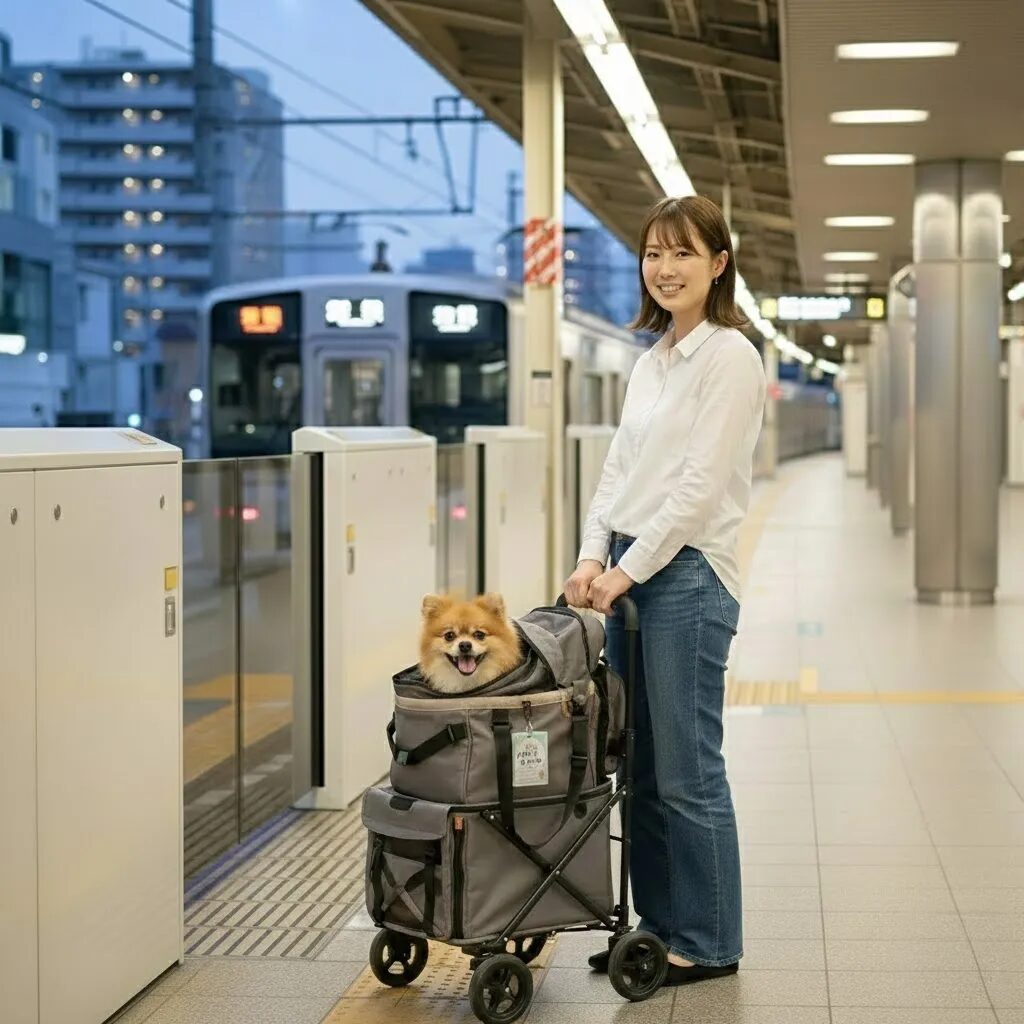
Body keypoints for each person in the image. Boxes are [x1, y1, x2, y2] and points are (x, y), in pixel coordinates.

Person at [563, 195, 765, 986]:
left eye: (684, 252)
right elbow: (620, 471)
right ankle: (656, 927)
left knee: (688, 771)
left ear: (719, 264)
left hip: (686, 581)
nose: (666, 267)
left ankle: (709, 941)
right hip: (631, 575)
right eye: (654, 253)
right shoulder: (651, 361)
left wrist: (624, 570)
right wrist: (589, 556)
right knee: (638, 768)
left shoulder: (731, 357)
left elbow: (697, 487)